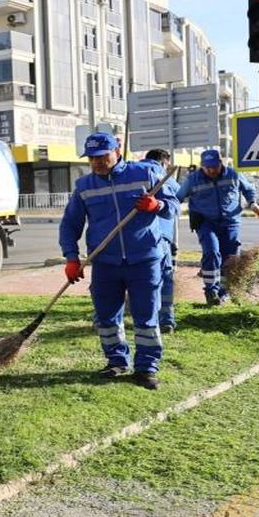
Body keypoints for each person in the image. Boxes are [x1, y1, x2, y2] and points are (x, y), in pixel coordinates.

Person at [60, 132, 177, 389]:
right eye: (92, 158)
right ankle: (116, 361)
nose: (97, 163)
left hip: (144, 259)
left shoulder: (144, 174)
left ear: (117, 149)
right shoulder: (84, 186)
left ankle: (146, 368)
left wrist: (156, 205)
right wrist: (70, 257)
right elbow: (70, 224)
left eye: (102, 156)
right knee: (106, 316)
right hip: (105, 262)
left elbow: (173, 207)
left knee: (145, 317)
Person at [175, 149, 259, 305]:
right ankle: (211, 291)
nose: (211, 170)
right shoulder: (193, 179)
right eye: (207, 167)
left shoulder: (233, 175)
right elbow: (177, 198)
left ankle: (223, 292)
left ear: (220, 163)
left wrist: (253, 204)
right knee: (211, 251)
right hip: (205, 221)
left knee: (230, 258)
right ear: (201, 166)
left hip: (230, 221)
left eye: (214, 167)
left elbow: (248, 189)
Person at [141, 149, 180, 333]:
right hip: (160, 237)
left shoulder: (133, 171)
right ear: (165, 162)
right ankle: (166, 320)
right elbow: (177, 199)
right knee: (164, 278)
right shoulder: (163, 175)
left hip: (135, 237)